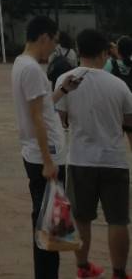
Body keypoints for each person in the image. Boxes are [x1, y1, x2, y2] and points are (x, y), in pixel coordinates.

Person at [54, 28, 132, 279]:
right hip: (114, 160)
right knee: (118, 220)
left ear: (79, 50)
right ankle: (119, 272)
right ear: (103, 53)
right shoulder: (119, 86)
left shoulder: (65, 80)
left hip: (80, 160)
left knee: (81, 218)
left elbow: (60, 119)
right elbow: (129, 125)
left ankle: (84, 267)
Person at [12, 14, 83, 279]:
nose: (54, 47)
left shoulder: (22, 63)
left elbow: (42, 107)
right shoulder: (31, 69)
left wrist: (62, 90)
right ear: (44, 37)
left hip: (39, 153)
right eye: (54, 41)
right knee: (47, 223)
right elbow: (37, 118)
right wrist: (48, 161)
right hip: (44, 155)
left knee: (48, 220)